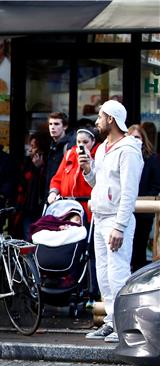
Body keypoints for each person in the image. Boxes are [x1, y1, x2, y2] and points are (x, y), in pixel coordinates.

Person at [81, 100, 144, 343]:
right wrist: (88, 171)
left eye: (100, 116)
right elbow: (99, 184)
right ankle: (111, 321)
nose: (97, 121)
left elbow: (129, 191)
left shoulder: (129, 149)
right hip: (100, 217)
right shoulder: (102, 148)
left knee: (117, 273)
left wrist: (120, 225)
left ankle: (122, 325)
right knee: (103, 274)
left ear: (111, 119)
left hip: (116, 220)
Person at [46, 127, 99, 220]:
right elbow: (57, 179)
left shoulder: (99, 154)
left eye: (85, 142)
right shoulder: (70, 154)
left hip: (88, 207)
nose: (81, 145)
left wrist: (89, 162)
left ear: (93, 141)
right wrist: (53, 193)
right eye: (78, 142)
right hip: (67, 207)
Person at [127, 124, 160, 271]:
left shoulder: (151, 157)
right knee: (127, 245)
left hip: (144, 208)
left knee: (140, 244)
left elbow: (156, 183)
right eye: (131, 137)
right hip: (126, 208)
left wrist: (146, 198)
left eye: (137, 137)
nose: (134, 140)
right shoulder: (123, 156)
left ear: (143, 139)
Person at [16, 131, 50, 238]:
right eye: (30, 146)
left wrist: (38, 168)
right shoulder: (26, 163)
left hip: (40, 207)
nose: (30, 150)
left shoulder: (48, 164)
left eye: (34, 147)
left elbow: (42, 186)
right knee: (28, 236)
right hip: (26, 207)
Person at [46, 111, 73, 198]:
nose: (52, 127)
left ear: (65, 126)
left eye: (56, 124)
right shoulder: (51, 145)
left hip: (61, 194)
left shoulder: (69, 146)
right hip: (50, 192)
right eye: (50, 124)